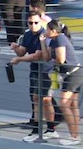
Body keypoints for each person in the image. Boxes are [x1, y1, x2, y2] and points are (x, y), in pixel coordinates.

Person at [10, 13, 56, 141]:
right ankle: (38, 128)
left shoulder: (43, 35)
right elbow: (22, 51)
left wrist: (18, 59)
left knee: (45, 99)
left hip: (47, 70)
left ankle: (50, 128)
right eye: (30, 23)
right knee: (36, 99)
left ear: (40, 22)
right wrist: (16, 48)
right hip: (35, 70)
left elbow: (37, 56)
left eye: (36, 22)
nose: (33, 25)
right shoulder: (28, 34)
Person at [43, 19, 82, 146]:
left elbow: (60, 59)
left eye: (47, 29)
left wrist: (55, 63)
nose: (45, 31)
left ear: (53, 31)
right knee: (73, 105)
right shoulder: (54, 40)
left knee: (64, 104)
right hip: (72, 73)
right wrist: (43, 42)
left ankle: (73, 137)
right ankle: (75, 136)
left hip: (72, 74)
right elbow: (47, 57)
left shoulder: (60, 38)